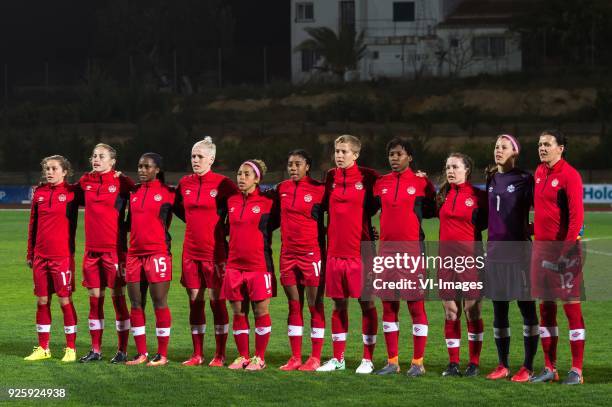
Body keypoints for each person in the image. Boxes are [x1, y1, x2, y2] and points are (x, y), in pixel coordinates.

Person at [317, 135, 380, 374]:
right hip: (335, 252)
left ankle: (367, 359)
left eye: (344, 151)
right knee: (338, 305)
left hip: (360, 252)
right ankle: (338, 358)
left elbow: (391, 187)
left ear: (356, 154)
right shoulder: (331, 177)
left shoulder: (369, 177)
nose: (339, 155)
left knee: (366, 303)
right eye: (337, 151)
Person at [372, 138, 436, 376]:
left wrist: (427, 181)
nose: (394, 158)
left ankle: (418, 362)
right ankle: (392, 362)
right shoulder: (380, 184)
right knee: (389, 306)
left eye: (399, 154)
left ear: (409, 157)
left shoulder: (421, 184)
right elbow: (368, 210)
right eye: (391, 154)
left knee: (415, 306)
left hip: (412, 253)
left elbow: (432, 211)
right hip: (386, 253)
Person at [174, 137, 238, 366]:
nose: (196, 160)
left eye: (200, 156)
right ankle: (197, 354)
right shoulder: (185, 183)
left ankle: (220, 354)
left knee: (216, 300)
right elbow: (178, 208)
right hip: (191, 252)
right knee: (194, 299)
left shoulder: (223, 184)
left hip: (215, 253)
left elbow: (240, 207)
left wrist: (224, 228)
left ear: (211, 159)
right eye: (193, 156)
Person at [530, 130, 585, 385]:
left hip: (565, 253)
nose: (542, 148)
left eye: (547, 144)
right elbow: (544, 214)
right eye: (540, 144)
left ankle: (576, 370)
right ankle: (550, 368)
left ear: (560, 148)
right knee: (546, 310)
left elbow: (576, 219)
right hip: (540, 251)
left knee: (571, 308)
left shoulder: (570, 175)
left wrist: (565, 253)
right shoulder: (539, 172)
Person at [483, 135, 539, 382]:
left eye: (504, 147)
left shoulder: (526, 179)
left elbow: (544, 207)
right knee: (499, 310)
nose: (498, 150)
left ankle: (528, 366)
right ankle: (502, 364)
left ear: (514, 152)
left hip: (520, 255)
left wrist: (535, 229)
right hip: (495, 254)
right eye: (496, 147)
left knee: (526, 308)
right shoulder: (491, 178)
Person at [78, 144, 135, 363]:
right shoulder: (86, 181)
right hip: (91, 252)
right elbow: (70, 190)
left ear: (112, 162)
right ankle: (96, 350)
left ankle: (122, 350)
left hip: (114, 252)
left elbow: (138, 193)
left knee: (118, 300)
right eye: (94, 155)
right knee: (95, 301)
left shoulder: (120, 182)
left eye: (101, 156)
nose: (96, 159)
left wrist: (125, 178)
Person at [223, 159, 279, 371]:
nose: (241, 178)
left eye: (247, 174)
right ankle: (243, 356)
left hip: (259, 265)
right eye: (239, 173)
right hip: (234, 265)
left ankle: (259, 357)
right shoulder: (231, 201)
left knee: (260, 311)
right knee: (238, 312)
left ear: (257, 179)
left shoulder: (268, 203)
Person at [25, 155, 79, 362]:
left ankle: (71, 348)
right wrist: (30, 253)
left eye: (54, 168)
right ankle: (43, 347)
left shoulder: (72, 193)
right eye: (47, 168)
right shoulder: (39, 193)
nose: (49, 172)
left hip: (62, 257)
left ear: (65, 172)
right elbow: (33, 225)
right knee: (42, 301)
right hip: (40, 257)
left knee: (65, 300)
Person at [437, 153, 487, 377]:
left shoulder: (478, 195)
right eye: (447, 167)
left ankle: (474, 363)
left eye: (455, 167)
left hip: (470, 261)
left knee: (471, 311)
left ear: (466, 170)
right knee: (450, 312)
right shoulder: (443, 194)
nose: (450, 171)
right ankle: (453, 363)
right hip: (446, 261)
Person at [276, 150, 326, 371]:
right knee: (293, 305)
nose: (293, 167)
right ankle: (295, 357)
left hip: (311, 255)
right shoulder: (282, 188)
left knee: (315, 305)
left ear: (308, 166)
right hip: (287, 255)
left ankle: (315, 357)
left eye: (298, 164)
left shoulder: (319, 190)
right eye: (290, 164)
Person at [125, 153, 175, 366]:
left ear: (157, 170)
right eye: (139, 166)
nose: (142, 170)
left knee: (159, 302)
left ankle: (162, 354)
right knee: (136, 303)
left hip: (158, 254)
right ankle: (141, 353)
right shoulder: (133, 192)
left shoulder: (169, 194)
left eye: (147, 167)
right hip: (134, 254)